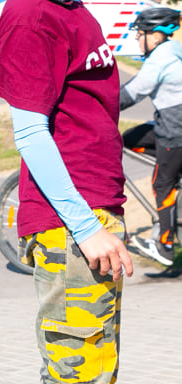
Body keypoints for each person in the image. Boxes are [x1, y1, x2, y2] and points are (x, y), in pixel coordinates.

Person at [0, 0, 179, 384]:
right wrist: (85, 225)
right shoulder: (31, 15)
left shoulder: (76, 13)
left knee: (96, 372)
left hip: (101, 214)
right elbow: (29, 131)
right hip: (70, 227)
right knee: (71, 378)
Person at [120, 7, 182, 267]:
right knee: (128, 138)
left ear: (156, 36)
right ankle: (173, 167)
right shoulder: (173, 50)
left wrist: (96, 108)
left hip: (175, 133)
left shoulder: (160, 60)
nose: (137, 39)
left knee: (162, 185)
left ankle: (165, 247)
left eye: (141, 34)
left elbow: (130, 94)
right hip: (169, 127)